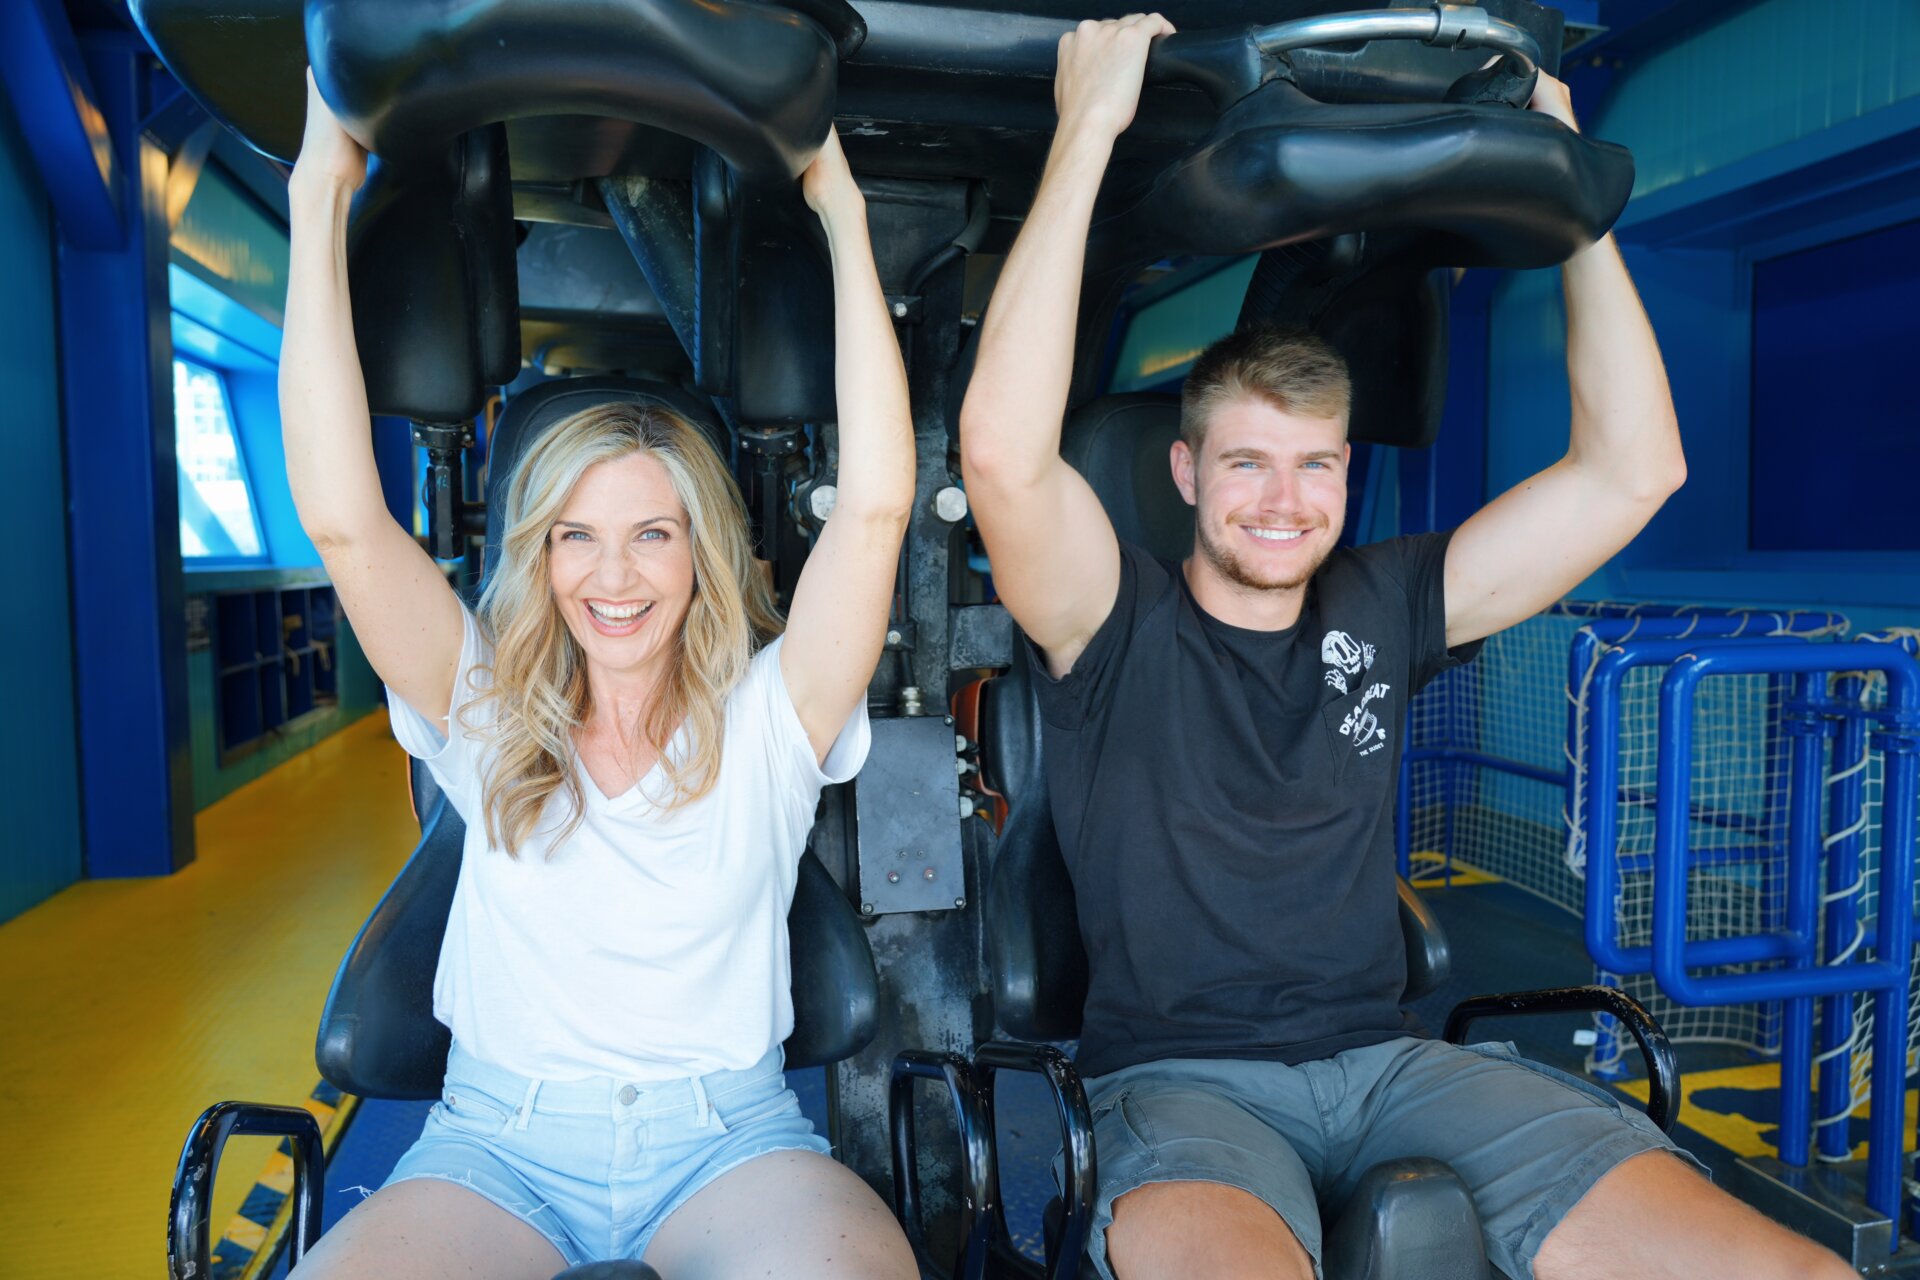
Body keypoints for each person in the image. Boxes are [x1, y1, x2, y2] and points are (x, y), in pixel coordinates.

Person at [958, 16, 1850, 1280]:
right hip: (1181, 1084)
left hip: (1396, 1063)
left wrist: (1570, 189)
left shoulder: (1389, 599)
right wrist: (1089, 125)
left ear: (1344, 471)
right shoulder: (1113, 616)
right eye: (1247, 462)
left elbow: (1636, 467)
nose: (1283, 498)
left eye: (1315, 462)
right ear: (1184, 472)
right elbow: (1001, 450)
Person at [282, 73, 917, 1279]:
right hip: (498, 1147)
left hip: (724, 1140)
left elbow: (878, 508)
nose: (612, 574)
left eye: (652, 533)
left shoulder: (773, 717)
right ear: (538, 554)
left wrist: (839, 207)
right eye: (576, 534)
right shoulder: (483, 703)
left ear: (702, 554)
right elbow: (347, 523)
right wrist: (322, 189)